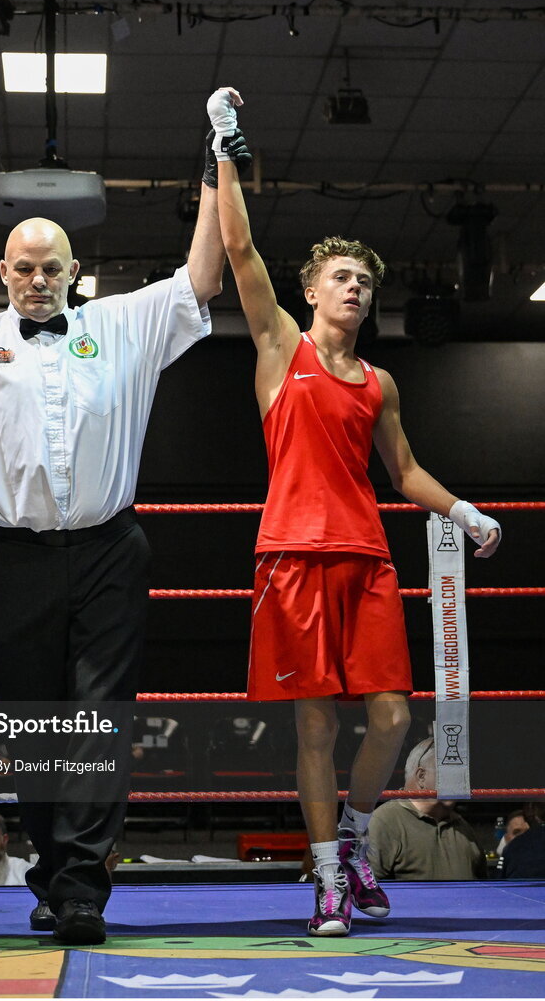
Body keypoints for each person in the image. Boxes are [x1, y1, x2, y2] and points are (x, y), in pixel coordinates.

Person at [0, 156, 231, 943]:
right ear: (2, 271)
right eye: (22, 267)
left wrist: (211, 175)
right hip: (17, 557)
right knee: (30, 726)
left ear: (74, 272)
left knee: (95, 719)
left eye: (50, 267)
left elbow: (202, 277)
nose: (36, 279)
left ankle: (83, 887)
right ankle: (53, 875)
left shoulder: (121, 324)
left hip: (108, 551)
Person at [209, 86, 502, 937]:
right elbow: (236, 246)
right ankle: (328, 877)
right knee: (311, 725)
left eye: (367, 283)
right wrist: (223, 146)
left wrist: (466, 512)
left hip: (366, 557)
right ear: (308, 288)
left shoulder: (380, 383)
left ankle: (349, 834)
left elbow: (403, 470)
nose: (357, 290)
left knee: (391, 718)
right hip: (293, 556)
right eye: (342, 277)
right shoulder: (278, 349)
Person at [367, 737, 487, 881]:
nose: (461, 782)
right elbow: (365, 893)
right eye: (451, 773)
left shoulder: (463, 827)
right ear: (421, 776)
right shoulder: (383, 822)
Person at [499, 805, 545, 879]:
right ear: (506, 838)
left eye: (527, 832)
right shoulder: (509, 850)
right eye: (517, 832)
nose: (522, 837)